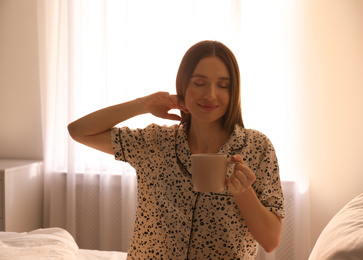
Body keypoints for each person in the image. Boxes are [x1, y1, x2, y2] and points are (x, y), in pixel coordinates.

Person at [68, 40, 285, 259]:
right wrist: (143, 104)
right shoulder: (154, 142)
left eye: (223, 85)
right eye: (199, 83)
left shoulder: (257, 147)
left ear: (234, 91)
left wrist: (244, 193)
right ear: (183, 86)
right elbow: (79, 131)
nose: (210, 94)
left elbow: (270, 241)